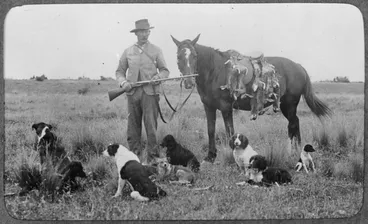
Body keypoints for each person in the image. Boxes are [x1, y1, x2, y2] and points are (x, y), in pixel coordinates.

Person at [115, 19, 170, 164]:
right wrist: (123, 82)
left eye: (147, 31)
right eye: (141, 32)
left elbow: (165, 71)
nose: (144, 34)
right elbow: (119, 72)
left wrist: (158, 77)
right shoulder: (128, 51)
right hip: (132, 95)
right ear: (136, 33)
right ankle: (134, 160)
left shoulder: (156, 50)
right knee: (133, 129)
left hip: (150, 94)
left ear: (149, 32)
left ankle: (152, 161)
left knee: (151, 127)